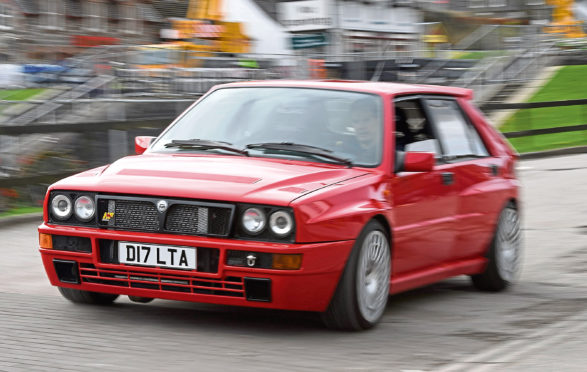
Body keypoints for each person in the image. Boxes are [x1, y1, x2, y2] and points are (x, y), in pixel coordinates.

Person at [349, 97, 381, 165]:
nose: (360, 127)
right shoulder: (345, 149)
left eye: (366, 120)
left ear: (379, 121)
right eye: (356, 121)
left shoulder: (389, 152)